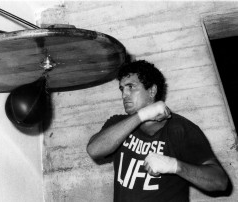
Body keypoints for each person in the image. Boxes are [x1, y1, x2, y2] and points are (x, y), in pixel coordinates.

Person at [86, 60, 229, 202]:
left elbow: (220, 182)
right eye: (122, 89)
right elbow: (94, 150)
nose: (124, 94)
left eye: (131, 87)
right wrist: (142, 115)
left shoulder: (180, 129)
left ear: (152, 91)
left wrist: (174, 165)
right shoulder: (118, 123)